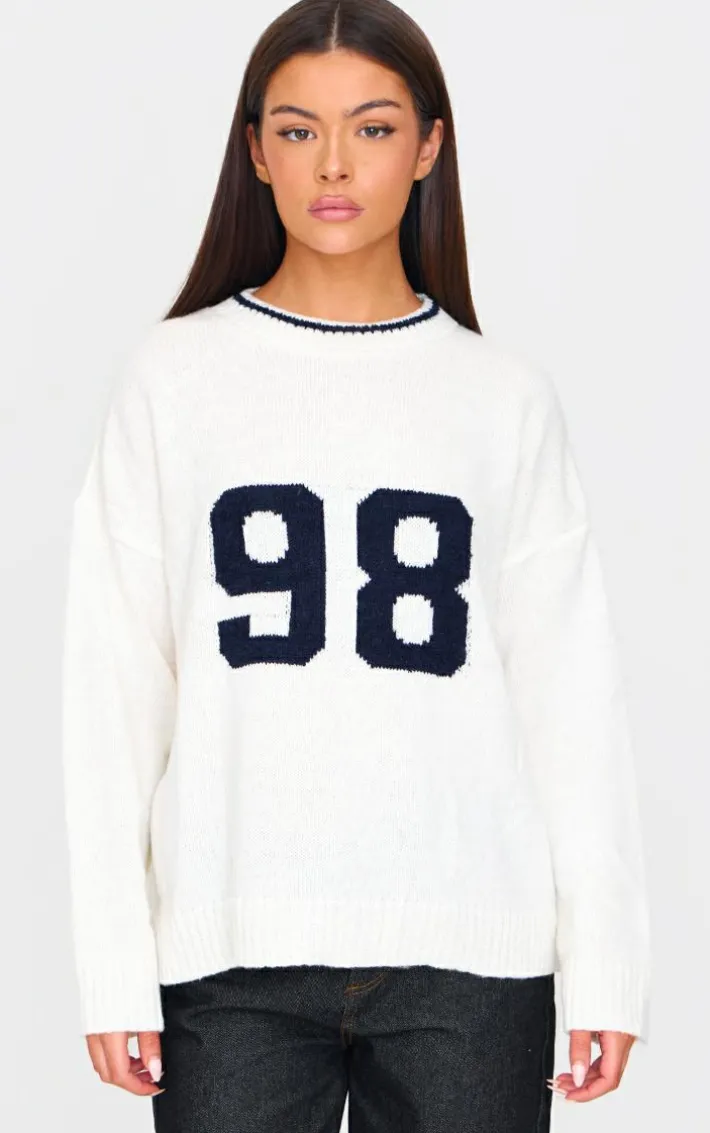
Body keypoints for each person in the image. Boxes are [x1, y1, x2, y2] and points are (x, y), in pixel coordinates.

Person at [60, 0, 652, 1129]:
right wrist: (112, 962)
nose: (333, 163)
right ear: (255, 150)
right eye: (298, 130)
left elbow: (570, 699)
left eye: (373, 128)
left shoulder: (503, 399)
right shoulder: (170, 381)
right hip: (229, 961)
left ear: (428, 146)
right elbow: (114, 693)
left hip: (470, 962)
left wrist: (608, 960)